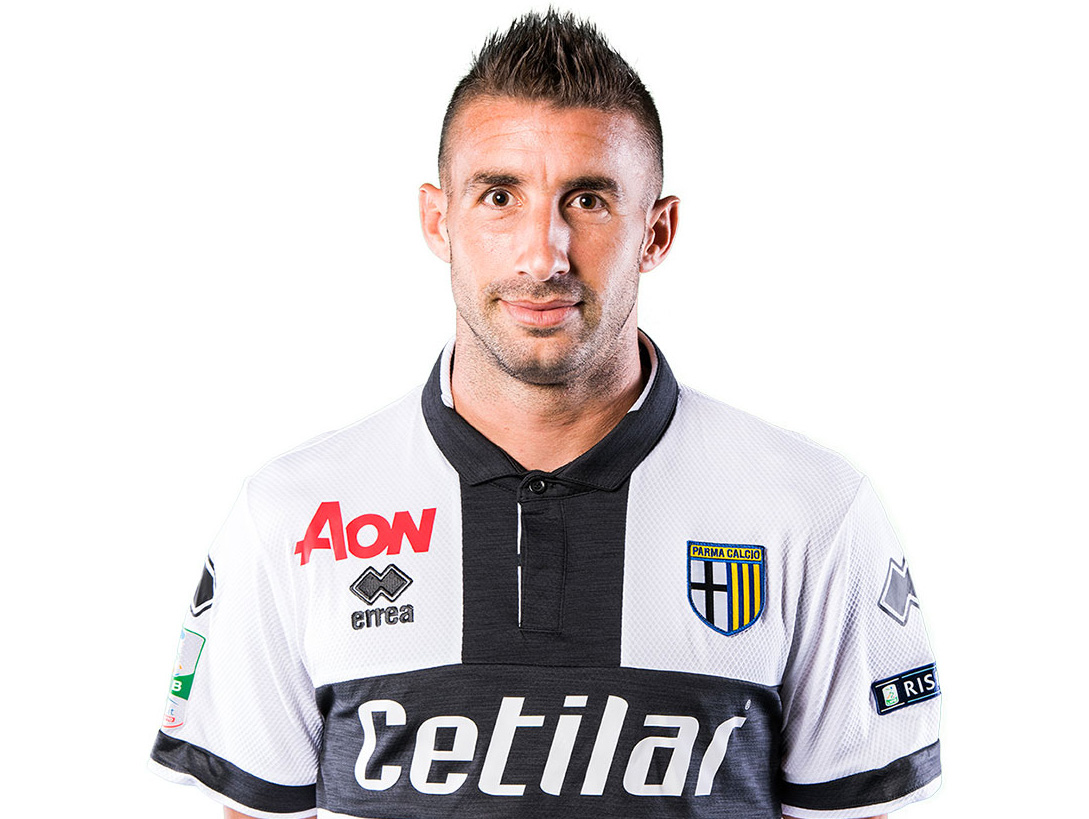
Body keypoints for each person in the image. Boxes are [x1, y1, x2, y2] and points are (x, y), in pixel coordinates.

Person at [149, 10, 941, 819]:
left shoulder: (813, 509)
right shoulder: (289, 512)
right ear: (437, 219)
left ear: (656, 231)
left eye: (588, 200)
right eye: (499, 196)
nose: (543, 254)